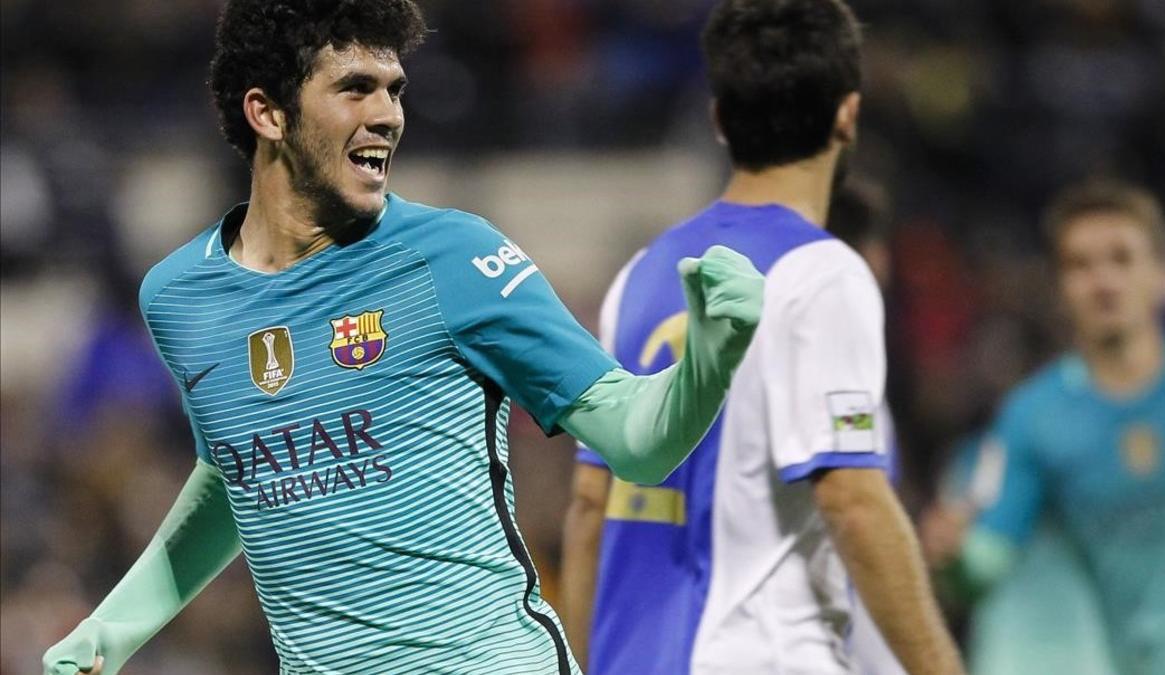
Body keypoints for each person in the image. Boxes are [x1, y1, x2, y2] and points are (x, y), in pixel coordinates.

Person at [40, 2, 766, 674]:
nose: (388, 114)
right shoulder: (178, 296)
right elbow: (244, 469)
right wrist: (113, 629)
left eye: (395, 89)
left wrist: (709, 357)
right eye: (356, 88)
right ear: (267, 112)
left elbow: (639, 438)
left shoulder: (452, 256)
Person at [558, 2, 962, 674]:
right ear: (848, 116)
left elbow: (587, 507)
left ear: (718, 120)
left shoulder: (639, 276)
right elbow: (852, 499)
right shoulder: (824, 272)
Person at [922, 179, 1165, 675]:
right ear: (1059, 286)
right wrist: (954, 556)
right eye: (1081, 265)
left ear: (1160, 273)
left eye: (1121, 259)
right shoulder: (1034, 415)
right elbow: (988, 562)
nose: (1103, 281)